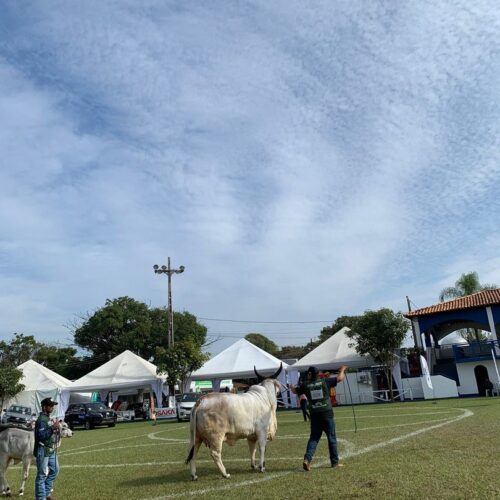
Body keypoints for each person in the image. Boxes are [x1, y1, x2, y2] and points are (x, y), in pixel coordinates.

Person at [291, 365, 347, 471]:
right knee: (331, 438)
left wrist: (291, 386)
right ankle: (334, 463)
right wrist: (343, 370)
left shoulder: (306, 385)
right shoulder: (325, 381)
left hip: (314, 415)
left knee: (314, 438)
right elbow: (340, 378)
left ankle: (307, 459)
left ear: (309, 374)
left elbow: (295, 391)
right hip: (327, 414)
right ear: (318, 374)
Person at [34, 398, 61, 500]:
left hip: (50, 449)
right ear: (45, 407)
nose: (52, 407)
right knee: (41, 475)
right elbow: (41, 436)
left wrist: (55, 429)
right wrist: (52, 428)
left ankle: (46, 494)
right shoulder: (41, 420)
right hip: (42, 449)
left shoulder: (48, 418)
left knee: (55, 470)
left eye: (53, 405)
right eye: (50, 405)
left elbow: (49, 433)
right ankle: (41, 498)